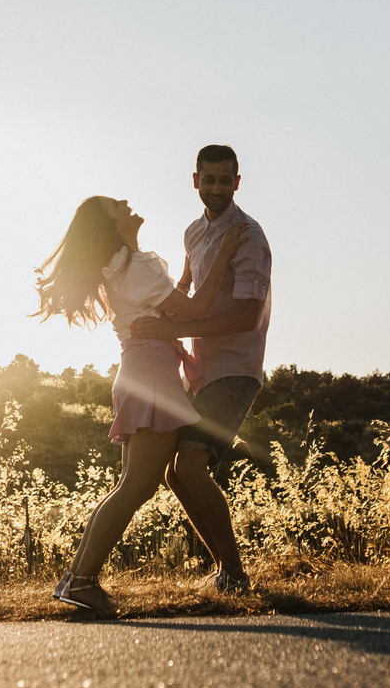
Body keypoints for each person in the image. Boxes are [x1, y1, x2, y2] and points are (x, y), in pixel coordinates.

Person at [34, 195, 247, 611]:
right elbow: (197, 309)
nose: (126, 203)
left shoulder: (124, 267)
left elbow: (173, 306)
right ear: (111, 227)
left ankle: (74, 579)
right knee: (137, 485)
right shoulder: (137, 265)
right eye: (117, 206)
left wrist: (184, 276)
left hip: (139, 370)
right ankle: (80, 580)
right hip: (152, 376)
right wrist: (223, 251)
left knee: (130, 484)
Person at [130, 144, 271, 594]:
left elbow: (247, 317)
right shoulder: (194, 232)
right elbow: (187, 289)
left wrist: (186, 321)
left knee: (189, 469)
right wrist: (160, 318)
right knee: (175, 472)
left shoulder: (249, 236)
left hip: (235, 370)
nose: (215, 188)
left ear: (237, 182)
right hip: (198, 370)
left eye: (224, 180)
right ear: (195, 181)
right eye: (207, 180)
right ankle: (226, 572)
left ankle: (235, 576)